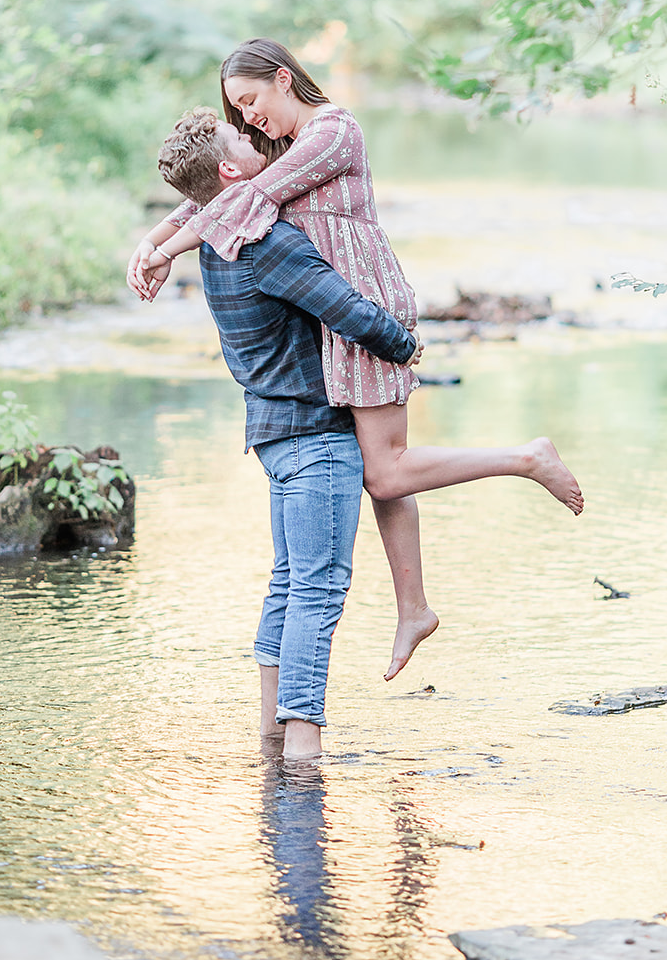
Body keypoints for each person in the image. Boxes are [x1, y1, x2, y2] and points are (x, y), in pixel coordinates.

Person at [128, 40, 584, 683]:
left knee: (387, 471)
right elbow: (208, 196)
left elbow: (240, 201)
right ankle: (413, 607)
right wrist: (150, 244)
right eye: (237, 112)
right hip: (332, 316)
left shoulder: (333, 130)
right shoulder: (279, 147)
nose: (248, 119)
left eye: (251, 102)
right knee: (382, 469)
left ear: (283, 79)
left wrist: (164, 250)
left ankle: (525, 460)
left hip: (364, 308)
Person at [150, 108, 422, 763]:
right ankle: (303, 752)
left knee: (288, 582)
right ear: (229, 170)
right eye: (242, 138)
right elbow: (348, 311)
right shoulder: (267, 246)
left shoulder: (216, 243)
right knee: (319, 589)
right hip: (314, 434)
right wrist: (406, 345)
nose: (253, 139)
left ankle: (270, 738)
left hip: (273, 434)